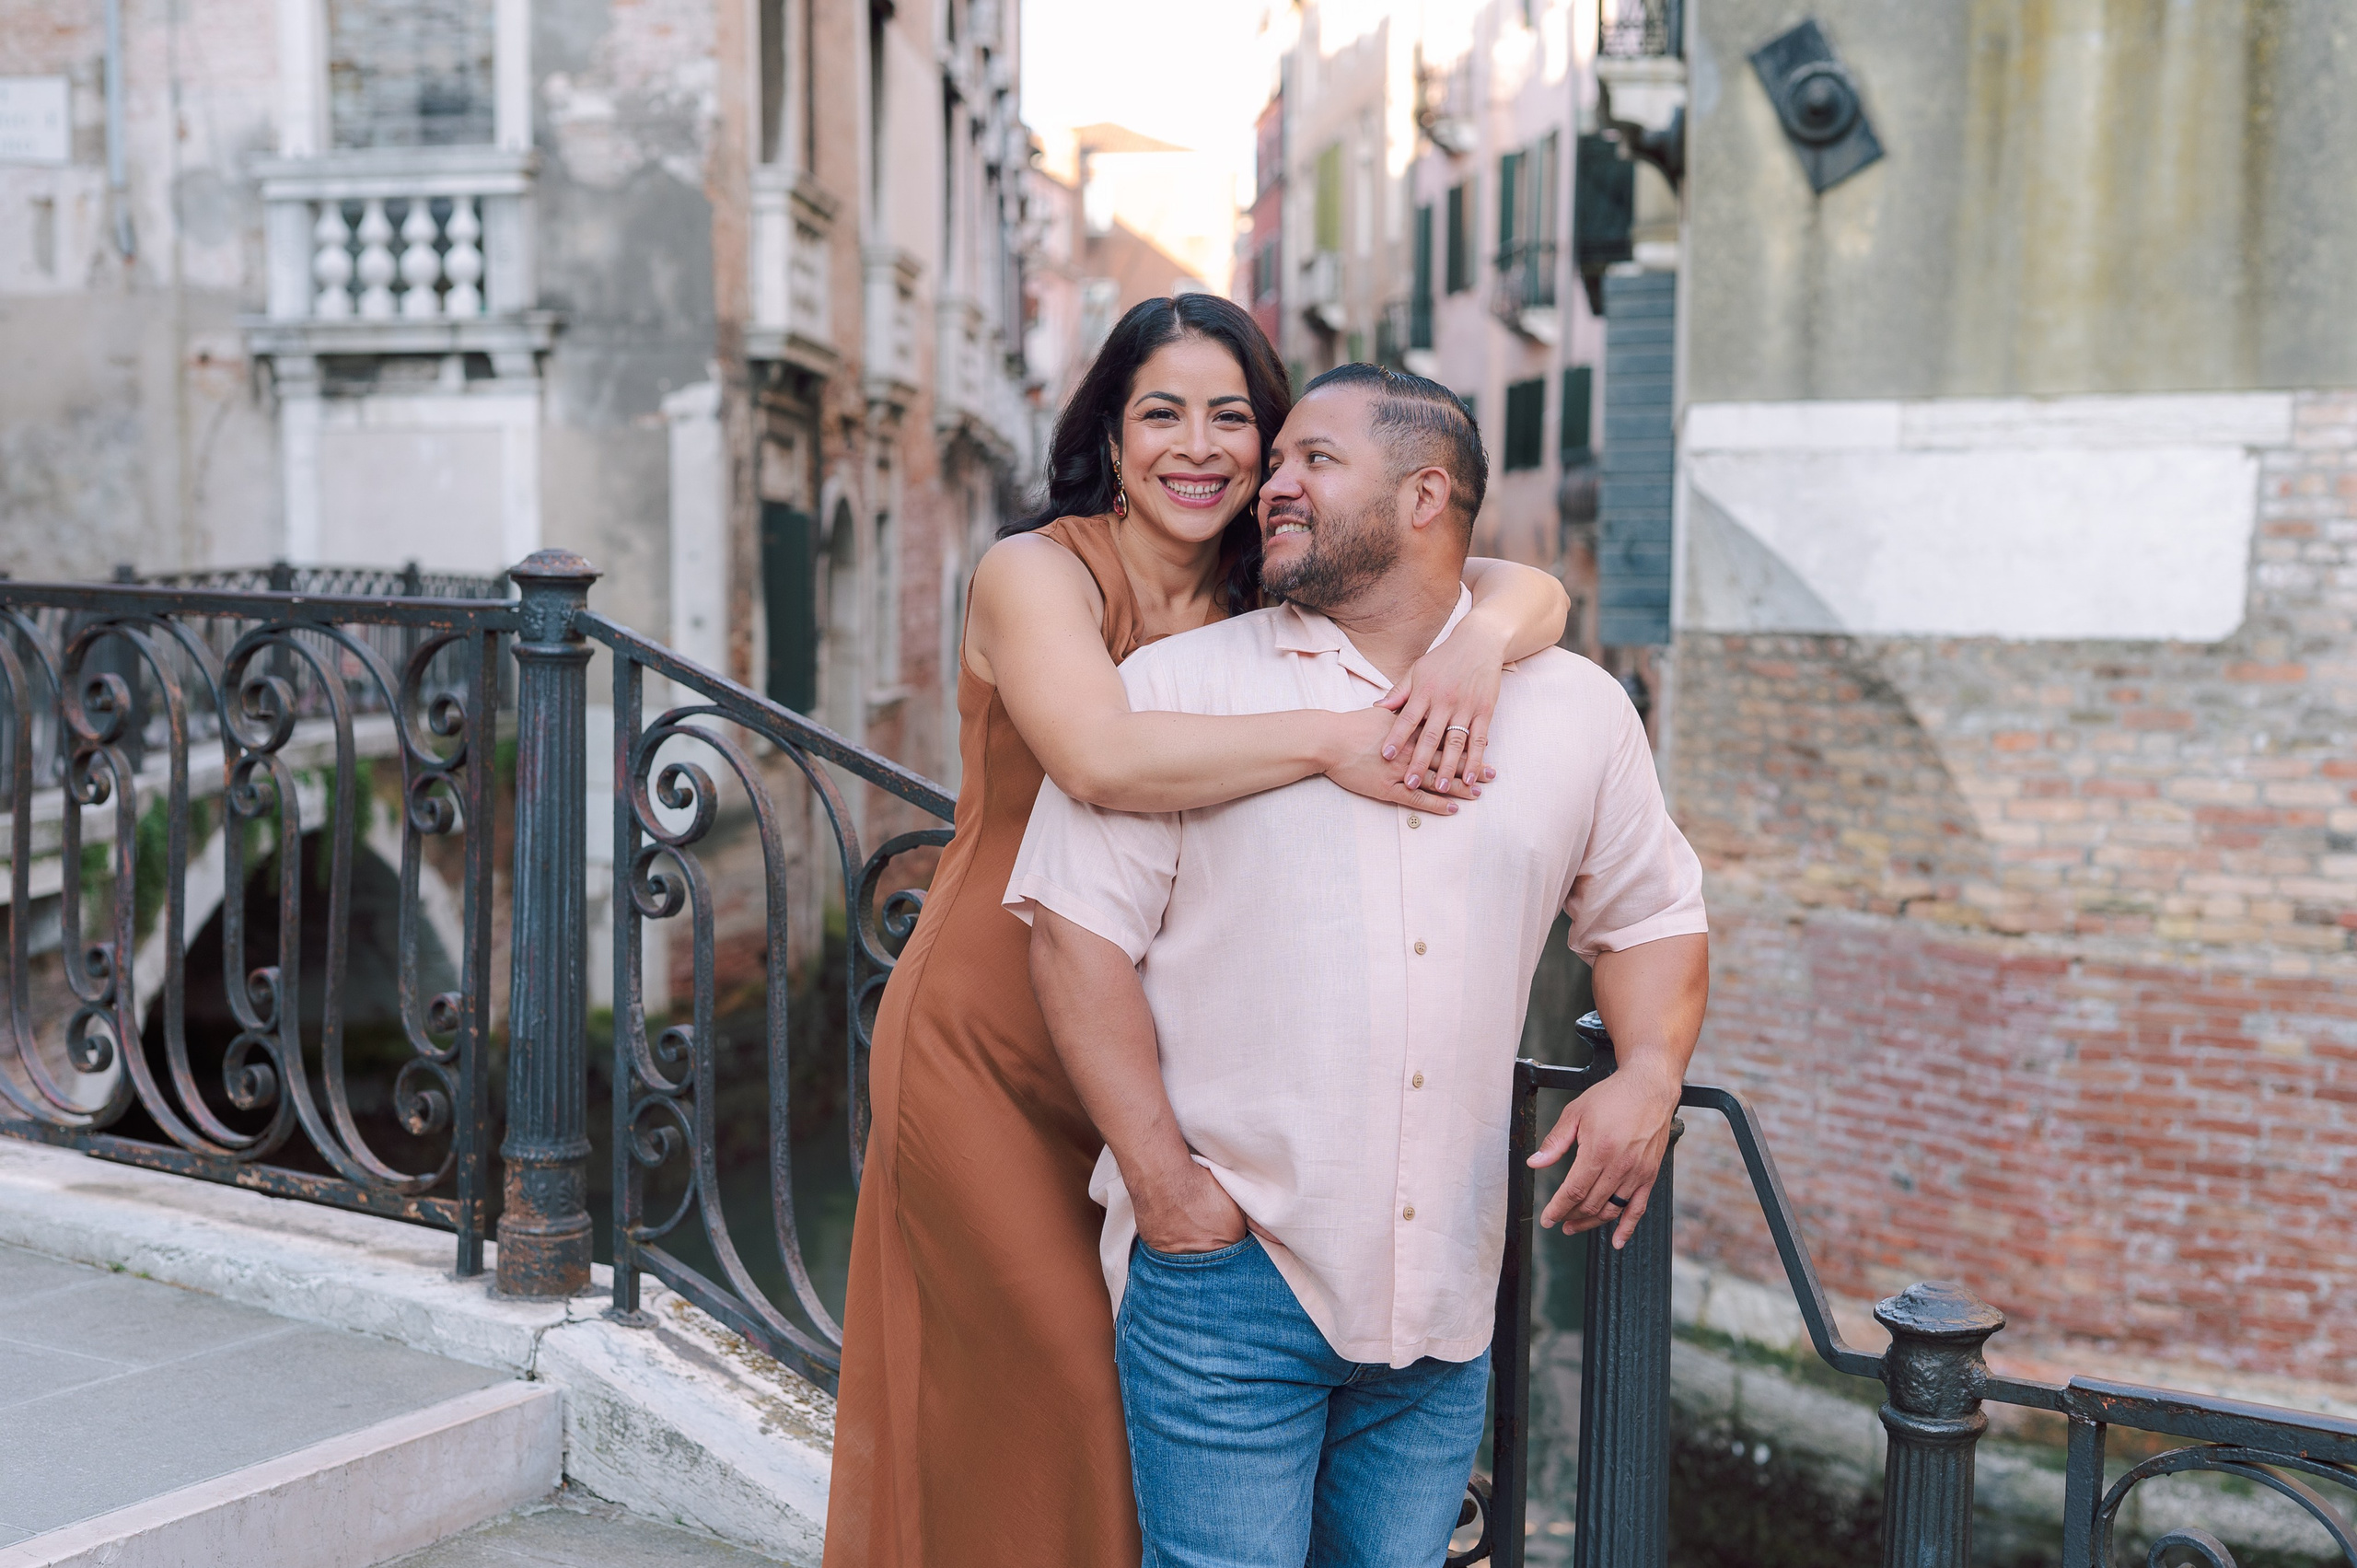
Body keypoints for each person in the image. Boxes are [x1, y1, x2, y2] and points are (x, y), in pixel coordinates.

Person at [823, 298, 1573, 1568]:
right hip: (991, 1038)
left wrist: (1480, 647)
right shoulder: (1034, 574)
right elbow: (1103, 756)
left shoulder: (1270, 586)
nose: (1200, 445)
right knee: (1059, 1381)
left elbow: (1514, 579)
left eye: (1236, 417)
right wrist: (1338, 740)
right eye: (1161, 412)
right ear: (1110, 437)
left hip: (1168, 1056)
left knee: (1144, 1407)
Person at [1011, 363, 1711, 1568]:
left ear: (1426, 495)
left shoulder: (1578, 711)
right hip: (1229, 1276)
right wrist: (1171, 1197)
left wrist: (1648, 1073)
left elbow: (1651, 915)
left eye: (1310, 462)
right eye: (1274, 460)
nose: (1268, 485)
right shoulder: (1176, 690)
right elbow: (1075, 942)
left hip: (1445, 1287)